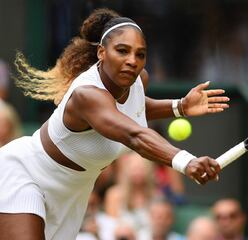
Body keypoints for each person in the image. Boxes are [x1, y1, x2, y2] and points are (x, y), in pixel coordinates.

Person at [0, 8, 229, 240]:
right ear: (101, 52)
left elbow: (134, 107)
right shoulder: (86, 95)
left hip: (72, 194)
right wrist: (185, 161)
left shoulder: (139, 80)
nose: (132, 61)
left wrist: (180, 106)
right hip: (26, 174)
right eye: (122, 51)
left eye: (140, 54)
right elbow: (134, 135)